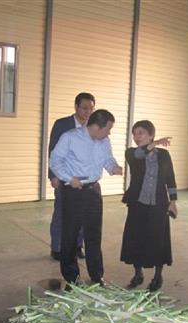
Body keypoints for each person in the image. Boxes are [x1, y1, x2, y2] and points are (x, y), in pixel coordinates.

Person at [49, 109, 123, 286]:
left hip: (93, 191)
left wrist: (113, 167)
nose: (109, 133)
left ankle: (97, 275)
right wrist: (69, 178)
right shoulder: (70, 137)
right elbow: (55, 161)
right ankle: (72, 277)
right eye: (108, 129)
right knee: (70, 234)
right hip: (73, 191)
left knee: (94, 234)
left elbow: (108, 159)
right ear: (97, 127)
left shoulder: (104, 140)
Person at [120, 120, 176, 292]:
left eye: (141, 133)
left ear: (150, 134)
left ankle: (158, 276)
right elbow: (140, 154)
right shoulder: (131, 153)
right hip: (138, 203)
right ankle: (138, 274)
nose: (137, 137)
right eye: (134, 134)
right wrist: (155, 143)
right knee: (136, 238)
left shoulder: (164, 155)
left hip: (159, 204)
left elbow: (170, 178)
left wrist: (173, 201)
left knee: (158, 240)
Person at [47, 92, 95, 261]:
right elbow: (53, 151)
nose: (88, 112)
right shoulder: (62, 124)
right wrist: (53, 176)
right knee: (62, 212)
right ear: (76, 107)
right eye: (84, 108)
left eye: (91, 108)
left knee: (82, 214)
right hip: (64, 177)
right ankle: (57, 247)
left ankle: (77, 245)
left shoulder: (93, 127)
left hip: (85, 178)